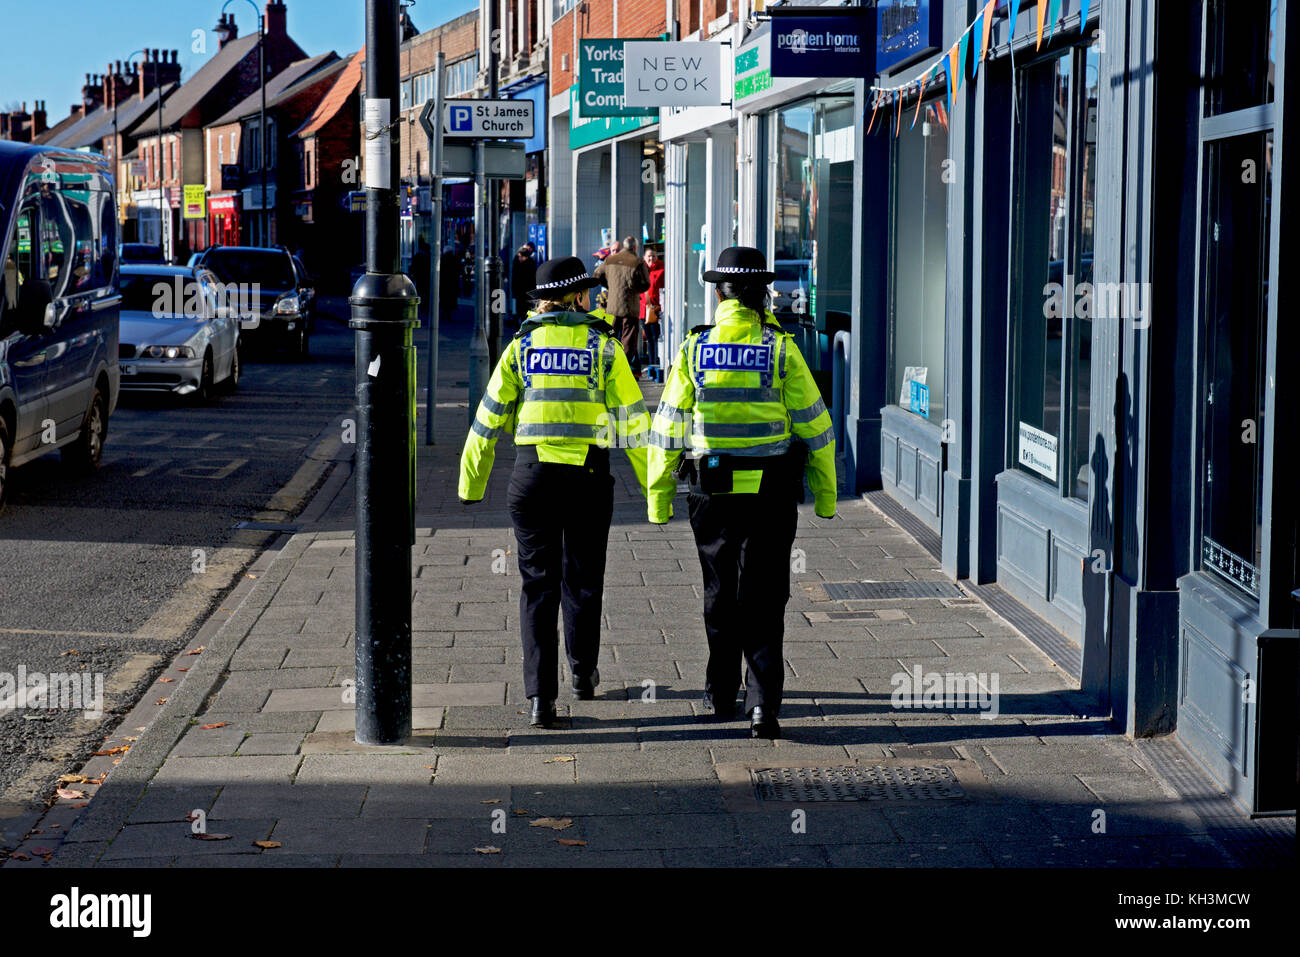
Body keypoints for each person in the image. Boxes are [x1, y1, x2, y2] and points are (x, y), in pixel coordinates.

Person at [646, 246, 837, 739]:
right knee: (767, 595)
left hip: (712, 493)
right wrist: (826, 494)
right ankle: (762, 705)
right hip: (770, 494)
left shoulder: (693, 348)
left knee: (718, 591)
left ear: (718, 294)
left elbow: (667, 428)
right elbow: (817, 428)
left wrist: (658, 496)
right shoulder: (781, 348)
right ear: (763, 297)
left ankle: (720, 691)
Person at [459, 255, 651, 729]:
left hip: (532, 479)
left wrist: (471, 485)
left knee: (536, 587)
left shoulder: (521, 347)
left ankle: (541, 699)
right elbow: (634, 424)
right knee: (583, 581)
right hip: (586, 479)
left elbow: (487, 421)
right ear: (578, 298)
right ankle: (583, 675)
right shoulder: (604, 348)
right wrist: (656, 488)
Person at [594, 236, 651, 377]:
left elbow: (597, 274)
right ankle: (620, 369)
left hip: (612, 307)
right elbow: (645, 284)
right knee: (628, 341)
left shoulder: (610, 260)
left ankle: (605, 366)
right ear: (635, 248)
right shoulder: (637, 262)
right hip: (630, 308)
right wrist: (634, 289)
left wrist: (610, 286)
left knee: (610, 336)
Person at [639, 246, 665, 370]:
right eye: (649, 256)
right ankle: (651, 364)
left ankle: (656, 362)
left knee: (656, 337)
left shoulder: (662, 270)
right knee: (649, 338)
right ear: (644, 258)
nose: (651, 258)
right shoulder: (640, 271)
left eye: (653, 256)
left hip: (656, 310)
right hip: (643, 311)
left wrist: (661, 306)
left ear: (657, 257)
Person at [510, 243, 537, 330]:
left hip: (527, 291)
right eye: (519, 256)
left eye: (521, 257)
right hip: (519, 290)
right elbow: (514, 277)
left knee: (526, 309)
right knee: (520, 308)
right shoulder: (517, 262)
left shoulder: (530, 264)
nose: (520, 258)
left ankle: (525, 324)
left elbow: (532, 279)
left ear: (526, 257)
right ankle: (521, 323)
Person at [409, 236, 431, 319]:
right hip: (426, 276)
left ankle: (422, 306)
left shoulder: (417, 256)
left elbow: (413, 267)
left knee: (421, 292)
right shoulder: (428, 256)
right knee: (427, 292)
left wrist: (412, 275)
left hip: (420, 277)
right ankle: (426, 306)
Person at [440, 243, 461, 324]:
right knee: (451, 299)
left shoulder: (442, 259)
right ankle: (448, 314)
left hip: (444, 283)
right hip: (452, 283)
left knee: (444, 299)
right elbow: (458, 270)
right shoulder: (455, 259)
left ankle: (443, 313)